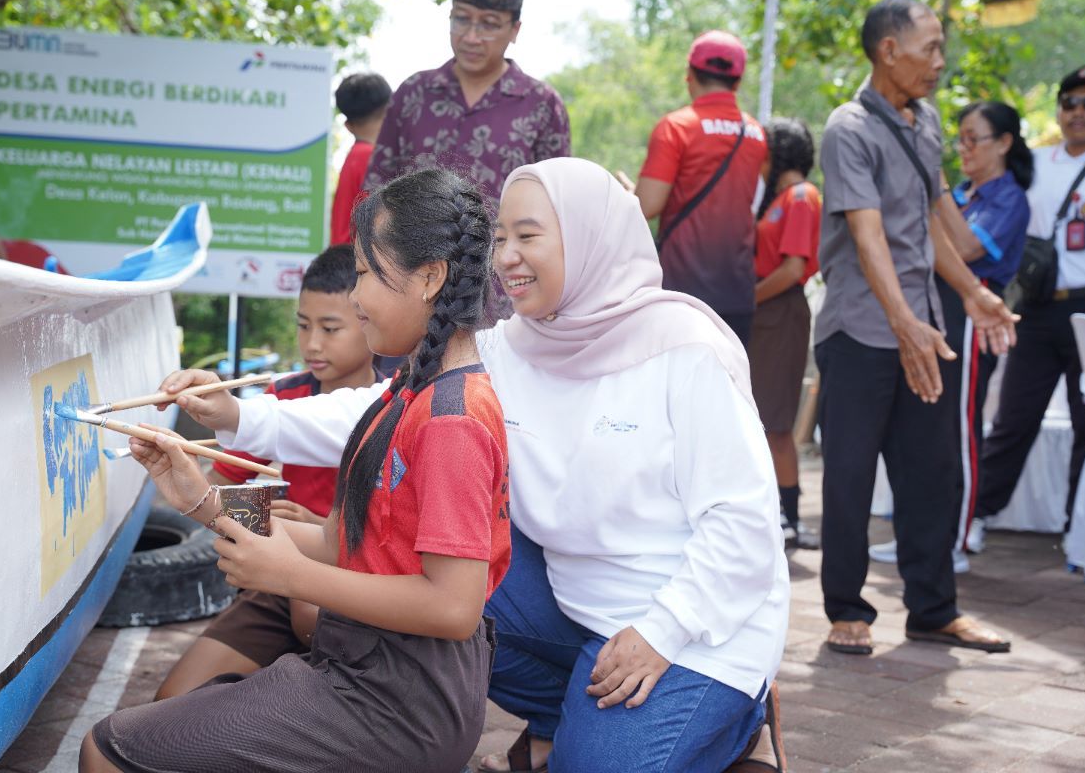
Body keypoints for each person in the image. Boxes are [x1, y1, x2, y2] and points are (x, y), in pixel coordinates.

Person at [171, 158, 790, 773]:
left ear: (590, 237)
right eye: (499, 240)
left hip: (696, 627)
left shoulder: (685, 350)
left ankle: (735, 727)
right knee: (436, 561)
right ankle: (562, 718)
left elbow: (744, 524)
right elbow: (378, 412)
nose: (507, 257)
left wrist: (663, 631)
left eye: (529, 236)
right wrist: (238, 418)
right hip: (574, 609)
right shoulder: (512, 344)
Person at [80, 168, 510, 773]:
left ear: (431, 277)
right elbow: (340, 543)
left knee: (108, 751)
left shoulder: (449, 417)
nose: (356, 297)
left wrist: (290, 577)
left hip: (400, 702)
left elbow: (453, 608)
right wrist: (201, 499)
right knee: (141, 732)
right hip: (366, 672)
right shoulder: (410, 393)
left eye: (365, 273)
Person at [815, 0, 1016, 656]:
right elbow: (868, 234)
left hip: (922, 326)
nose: (940, 60)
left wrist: (974, 293)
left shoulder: (926, 120)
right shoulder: (848, 129)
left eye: (940, 47)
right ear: (887, 51)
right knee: (849, 475)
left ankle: (933, 609)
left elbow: (929, 220)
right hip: (859, 331)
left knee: (932, 472)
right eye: (928, 47)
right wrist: (902, 323)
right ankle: (848, 608)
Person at [154, 244, 384, 701]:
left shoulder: (396, 404)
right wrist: (256, 515)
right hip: (276, 577)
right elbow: (218, 490)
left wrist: (321, 531)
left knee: (310, 621)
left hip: (355, 583)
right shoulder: (283, 397)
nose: (312, 343)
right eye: (303, 325)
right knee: (171, 702)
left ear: (368, 319)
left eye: (330, 328)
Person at [871, 102, 1031, 570]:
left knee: (959, 433)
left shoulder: (1007, 198)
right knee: (921, 430)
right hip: (932, 311)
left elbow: (962, 247)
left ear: (1004, 143)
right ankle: (918, 537)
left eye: (972, 139)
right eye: (958, 139)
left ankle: (955, 539)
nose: (964, 149)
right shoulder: (962, 192)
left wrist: (932, 183)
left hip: (974, 313)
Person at [973, 63, 1085, 545]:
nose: (1079, 112)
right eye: (1070, 102)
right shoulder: (1035, 163)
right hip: (1039, 306)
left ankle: (1079, 526)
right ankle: (976, 516)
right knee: (1013, 418)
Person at [362, 0, 571, 212]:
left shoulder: (542, 105)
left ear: (515, 30)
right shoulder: (414, 94)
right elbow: (375, 193)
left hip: (503, 250)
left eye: (489, 24)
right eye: (461, 19)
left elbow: (557, 206)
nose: (472, 37)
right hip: (412, 249)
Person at [635, 30, 769, 347]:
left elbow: (648, 205)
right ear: (737, 82)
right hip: (737, 290)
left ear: (690, 76)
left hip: (682, 290)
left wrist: (630, 194)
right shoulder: (756, 133)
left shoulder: (677, 126)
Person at [748, 117, 821, 551]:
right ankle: (775, 511)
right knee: (762, 415)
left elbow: (793, 268)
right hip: (766, 312)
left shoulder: (801, 196)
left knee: (775, 420)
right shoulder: (777, 199)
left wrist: (748, 299)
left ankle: (790, 516)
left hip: (781, 310)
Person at [331, 72, 392, 245]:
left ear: (348, 126)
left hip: (345, 259)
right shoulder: (374, 159)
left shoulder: (356, 156)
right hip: (360, 262)